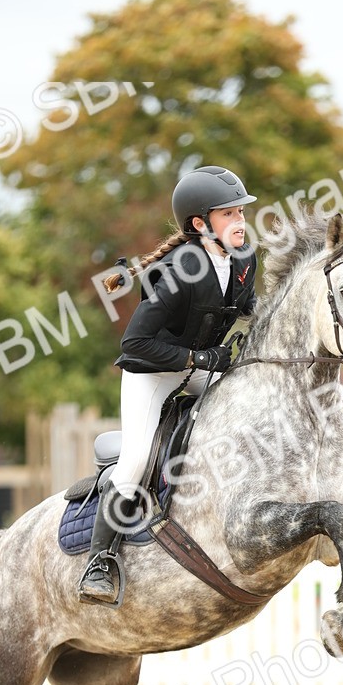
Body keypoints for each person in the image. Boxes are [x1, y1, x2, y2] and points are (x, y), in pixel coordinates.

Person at [78, 165, 259, 604]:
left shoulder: (244, 258)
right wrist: (199, 358)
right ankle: (100, 562)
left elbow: (248, 305)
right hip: (152, 374)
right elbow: (135, 342)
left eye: (240, 211)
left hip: (202, 369)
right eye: (229, 214)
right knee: (137, 457)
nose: (240, 221)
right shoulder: (179, 271)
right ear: (200, 225)